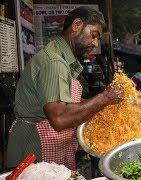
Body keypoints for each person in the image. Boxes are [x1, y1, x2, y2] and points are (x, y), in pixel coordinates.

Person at [7, 7, 124, 170]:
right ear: (76, 25)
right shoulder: (54, 62)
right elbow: (59, 118)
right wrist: (105, 98)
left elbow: (69, 102)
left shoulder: (64, 58)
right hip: (36, 146)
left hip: (51, 143)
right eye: (94, 35)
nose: (95, 43)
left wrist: (104, 106)